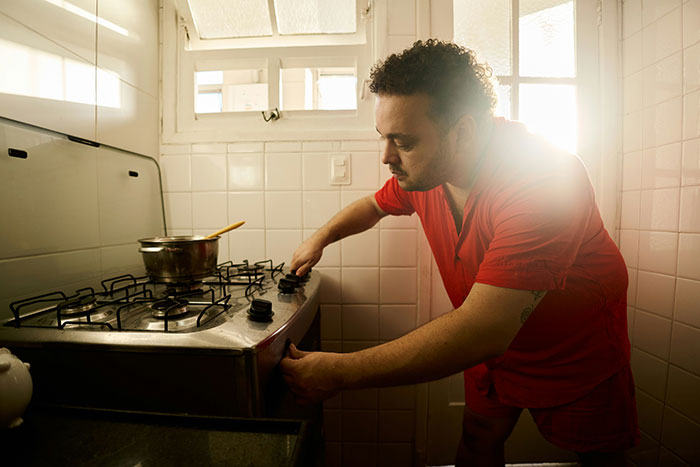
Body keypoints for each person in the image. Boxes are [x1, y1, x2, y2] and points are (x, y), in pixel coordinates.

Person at [280, 39, 638, 466]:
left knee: (598, 455)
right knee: (479, 433)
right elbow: (374, 206)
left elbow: (483, 327)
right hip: (492, 351)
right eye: (384, 138)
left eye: (404, 142)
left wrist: (337, 372)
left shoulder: (543, 178)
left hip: (573, 350)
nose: (386, 157)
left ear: (463, 131)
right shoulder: (429, 172)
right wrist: (319, 239)